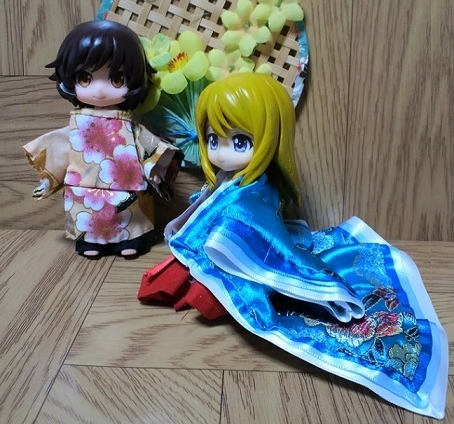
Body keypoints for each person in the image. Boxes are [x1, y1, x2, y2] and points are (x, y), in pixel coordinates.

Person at [138, 72, 447, 418]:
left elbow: (263, 233)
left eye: (239, 141)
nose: (221, 153)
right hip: (217, 255)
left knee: (209, 298)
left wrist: (226, 238)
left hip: (245, 265)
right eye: (213, 140)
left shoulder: (256, 191)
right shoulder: (233, 181)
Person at [24, 20, 182, 258]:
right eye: (85, 78)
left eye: (117, 79)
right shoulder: (77, 125)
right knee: (88, 219)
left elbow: (149, 146)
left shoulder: (129, 125)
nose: (99, 90)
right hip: (85, 191)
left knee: (130, 219)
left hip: (126, 190)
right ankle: (90, 242)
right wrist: (48, 179)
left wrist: (155, 168)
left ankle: (130, 239)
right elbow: (58, 149)